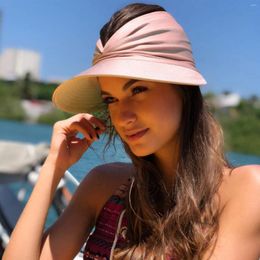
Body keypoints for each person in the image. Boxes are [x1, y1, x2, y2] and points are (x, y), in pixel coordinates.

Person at [3, 3, 260, 260]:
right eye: (110, 100)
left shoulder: (245, 192)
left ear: (183, 88)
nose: (123, 117)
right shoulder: (104, 185)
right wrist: (54, 165)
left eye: (137, 90)